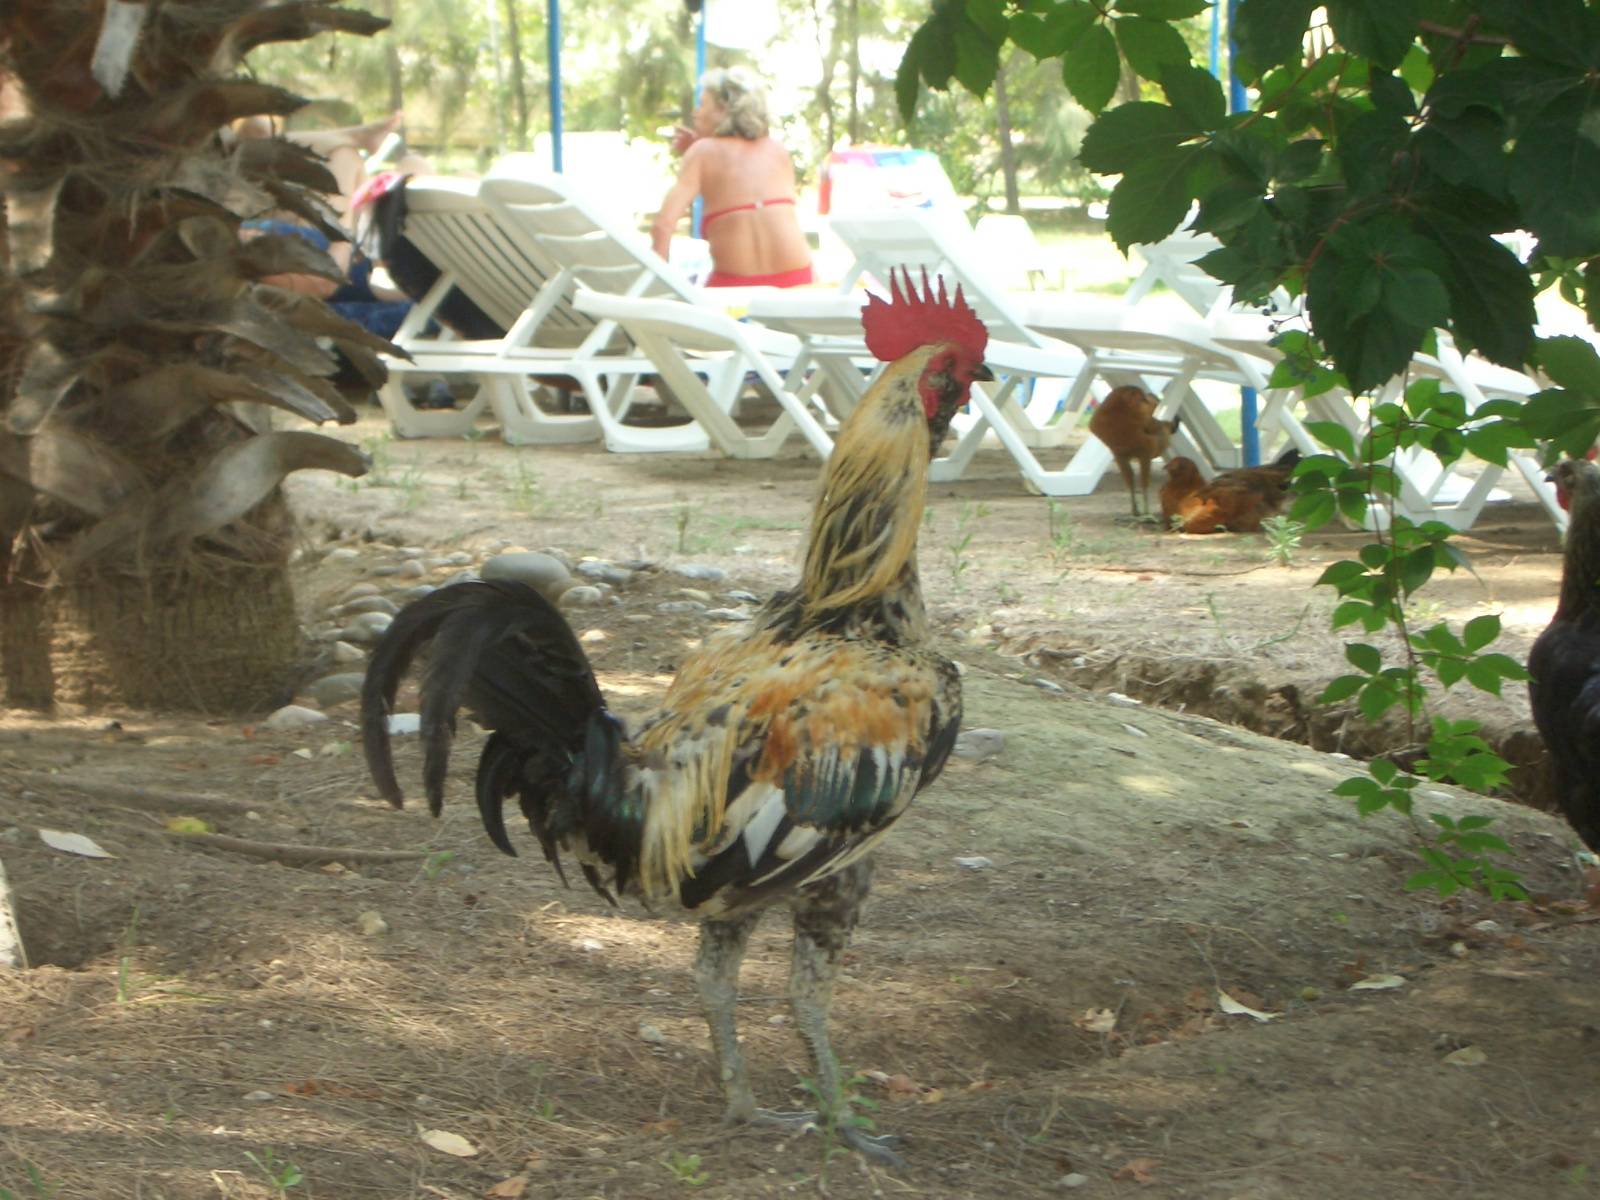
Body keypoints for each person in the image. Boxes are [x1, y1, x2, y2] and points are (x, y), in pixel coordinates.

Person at [651, 68, 814, 289]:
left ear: (724, 109)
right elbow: (744, 183)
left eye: (702, 104)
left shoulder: (702, 152)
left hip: (734, 288)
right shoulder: (778, 152)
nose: (695, 112)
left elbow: (663, 225)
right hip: (798, 281)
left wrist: (657, 287)